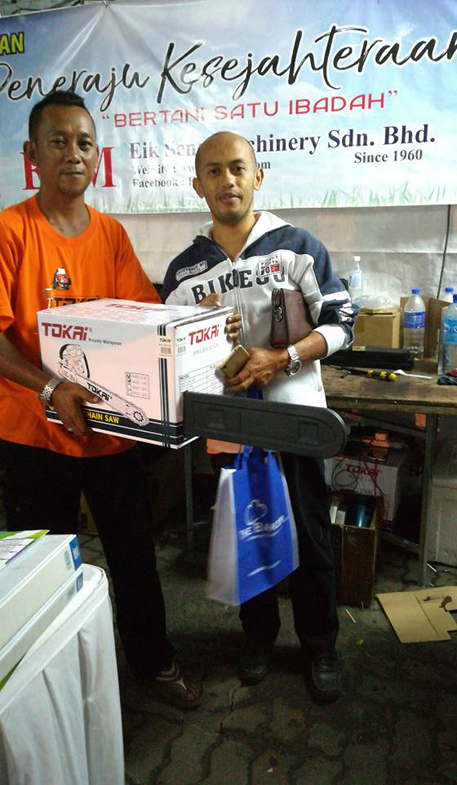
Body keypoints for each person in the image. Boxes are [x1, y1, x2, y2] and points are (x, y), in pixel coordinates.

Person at [0, 90, 203, 709]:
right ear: (32, 154)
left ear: (97, 157)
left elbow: (145, 318)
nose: (73, 153)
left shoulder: (110, 233)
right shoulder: (10, 231)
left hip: (111, 432)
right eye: (58, 141)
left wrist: (200, 331)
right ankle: (51, 691)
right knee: (44, 569)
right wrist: (50, 387)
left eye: (84, 143)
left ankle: (154, 663)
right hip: (33, 436)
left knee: (135, 556)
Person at [162, 131, 356, 704]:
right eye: (214, 171)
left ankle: (320, 644)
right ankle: (258, 638)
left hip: (296, 421)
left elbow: (342, 324)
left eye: (237, 168)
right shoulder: (185, 270)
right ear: (197, 185)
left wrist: (284, 356)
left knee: (311, 535)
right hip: (231, 428)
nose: (227, 180)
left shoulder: (296, 247)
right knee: (248, 532)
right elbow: (167, 350)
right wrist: (196, 328)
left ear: (258, 176)